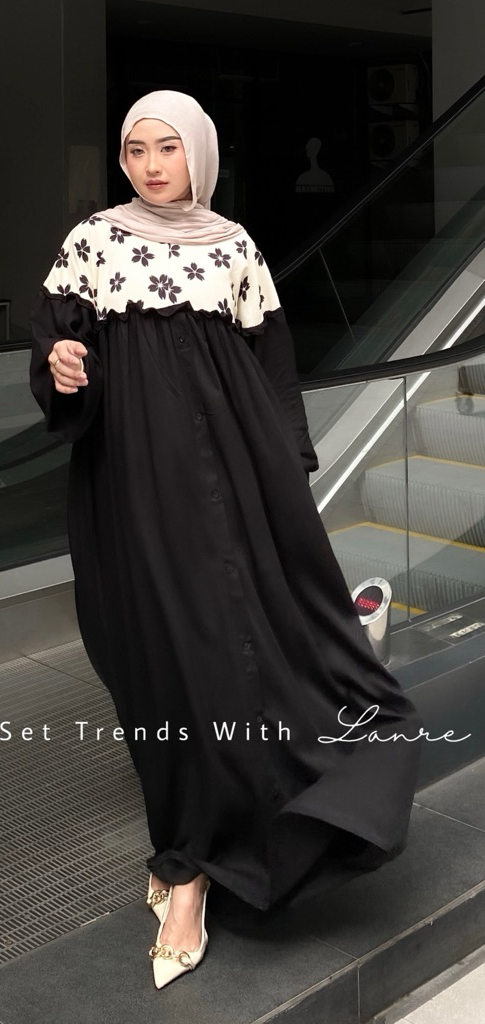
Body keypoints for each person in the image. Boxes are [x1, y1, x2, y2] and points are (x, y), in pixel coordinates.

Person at [28, 91, 423, 990]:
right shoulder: (94, 242)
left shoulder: (234, 246)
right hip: (129, 482)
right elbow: (53, 343)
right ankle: (193, 842)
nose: (150, 165)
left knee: (236, 653)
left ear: (200, 154)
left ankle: (191, 868)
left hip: (234, 482)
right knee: (158, 659)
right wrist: (61, 364)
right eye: (135, 149)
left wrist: (288, 472)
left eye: (168, 148)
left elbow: (272, 368)